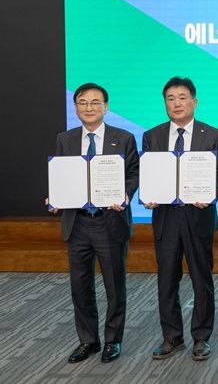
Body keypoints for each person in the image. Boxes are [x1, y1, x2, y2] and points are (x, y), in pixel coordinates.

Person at [47, 83, 139, 363]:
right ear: (76, 107)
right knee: (80, 286)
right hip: (77, 223)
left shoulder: (123, 138)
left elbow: (134, 172)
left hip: (109, 221)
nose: (89, 108)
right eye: (83, 102)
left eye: (95, 102)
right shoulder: (65, 139)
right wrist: (55, 197)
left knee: (114, 286)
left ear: (106, 107)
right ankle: (88, 340)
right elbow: (61, 174)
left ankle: (113, 340)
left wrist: (126, 194)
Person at [142, 77, 218, 361]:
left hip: (199, 216)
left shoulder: (212, 134)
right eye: (170, 98)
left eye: (182, 97)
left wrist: (211, 193)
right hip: (166, 217)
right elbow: (148, 172)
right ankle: (172, 337)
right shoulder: (152, 135)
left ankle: (201, 337)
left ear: (194, 101)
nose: (176, 103)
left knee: (201, 278)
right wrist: (148, 193)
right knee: (166, 279)